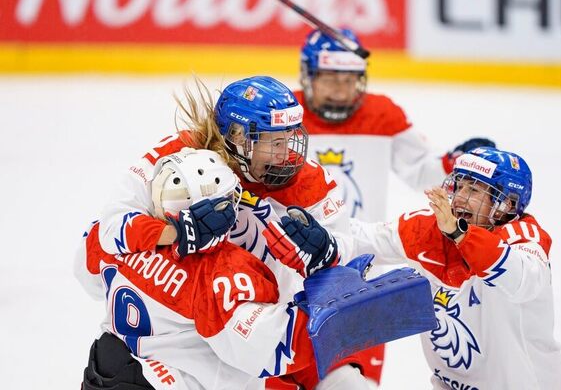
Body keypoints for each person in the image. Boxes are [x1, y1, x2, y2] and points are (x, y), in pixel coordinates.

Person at [92, 76, 378, 389]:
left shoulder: (309, 183)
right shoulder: (178, 160)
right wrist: (177, 232)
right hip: (209, 336)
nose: (287, 155)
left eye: (290, 138)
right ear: (238, 134)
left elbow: (343, 254)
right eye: (275, 142)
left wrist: (326, 255)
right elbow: (109, 229)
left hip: (271, 324)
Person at [74, 148, 343, 390]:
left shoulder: (118, 236)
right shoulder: (219, 272)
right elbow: (275, 350)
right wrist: (329, 288)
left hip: (105, 371)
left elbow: (86, 277)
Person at [346, 147, 561, 389]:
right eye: (459, 186)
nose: (460, 197)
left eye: (473, 190)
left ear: (507, 203)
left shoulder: (523, 238)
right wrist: (315, 231)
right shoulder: (429, 230)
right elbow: (360, 239)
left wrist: (461, 234)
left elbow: (523, 280)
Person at [296, 28, 495, 221]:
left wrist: (454, 163)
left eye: (348, 80)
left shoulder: (382, 114)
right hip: (291, 248)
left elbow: (421, 172)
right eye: (330, 79)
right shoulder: (288, 113)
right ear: (308, 76)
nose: (340, 92)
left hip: (363, 249)